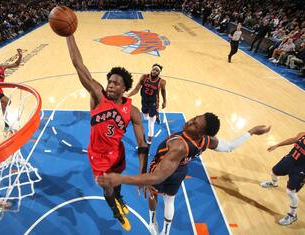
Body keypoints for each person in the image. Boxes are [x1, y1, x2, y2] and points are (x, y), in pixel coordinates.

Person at [97, 113, 270, 235]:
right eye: (195, 118)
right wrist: (251, 132)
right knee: (170, 199)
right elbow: (230, 146)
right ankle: (164, 231)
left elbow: (157, 177)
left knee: (152, 192)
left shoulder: (179, 146)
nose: (190, 122)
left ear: (201, 132)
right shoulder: (206, 140)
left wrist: (120, 178)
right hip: (180, 171)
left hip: (163, 169)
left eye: (195, 124)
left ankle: (153, 222)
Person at [65, 35, 148, 231]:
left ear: (124, 88)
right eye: (110, 81)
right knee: (107, 186)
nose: (111, 85)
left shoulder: (133, 111)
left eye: (116, 83)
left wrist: (143, 173)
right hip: (98, 155)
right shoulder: (98, 95)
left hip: (117, 152)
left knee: (117, 179)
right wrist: (69, 34)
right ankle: (115, 210)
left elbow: (142, 144)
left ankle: (119, 197)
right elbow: (78, 64)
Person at [260, 132, 305, 226]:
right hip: (290, 160)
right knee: (273, 172)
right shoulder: (303, 134)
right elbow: (293, 139)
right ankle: (274, 183)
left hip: (301, 170)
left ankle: (292, 215)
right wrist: (277, 145)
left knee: (290, 192)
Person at [127, 64, 167, 144]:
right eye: (154, 69)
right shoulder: (144, 77)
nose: (154, 71)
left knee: (150, 124)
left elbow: (163, 91)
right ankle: (156, 115)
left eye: (157, 70)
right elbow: (136, 89)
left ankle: (149, 141)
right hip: (144, 101)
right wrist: (128, 95)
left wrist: (164, 101)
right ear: (151, 70)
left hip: (154, 104)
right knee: (145, 116)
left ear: (159, 73)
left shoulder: (161, 82)